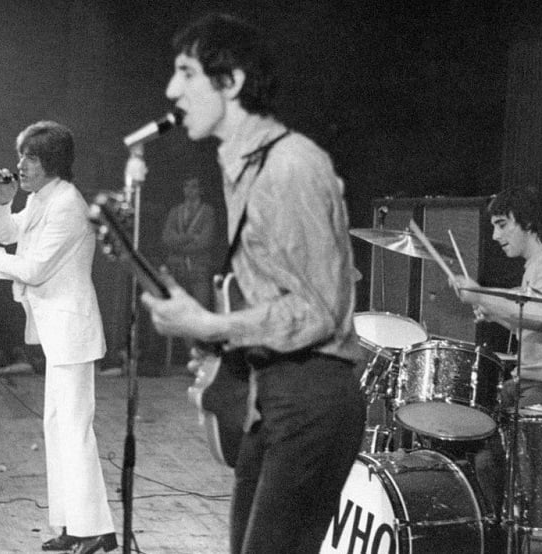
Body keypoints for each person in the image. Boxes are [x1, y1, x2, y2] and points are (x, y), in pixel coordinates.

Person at [137, 14, 365, 554]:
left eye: (186, 73)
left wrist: (210, 324)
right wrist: (219, 345)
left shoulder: (290, 167)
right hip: (274, 396)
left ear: (232, 81)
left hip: (312, 400)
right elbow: (270, 295)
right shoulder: (242, 165)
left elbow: (317, 311)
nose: (172, 91)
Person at [0, 121, 116, 554]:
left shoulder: (68, 204)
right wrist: (1, 203)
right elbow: (12, 233)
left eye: (30, 158)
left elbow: (33, 268)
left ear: (52, 162)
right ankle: (72, 524)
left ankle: (95, 530)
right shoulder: (41, 198)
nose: (20, 166)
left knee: (75, 429)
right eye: (21, 157)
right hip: (56, 331)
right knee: (58, 427)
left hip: (72, 330)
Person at [449, 185, 542, 516]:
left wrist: (481, 295)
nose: (495, 236)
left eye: (502, 224)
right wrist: (494, 312)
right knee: (477, 438)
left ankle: (504, 525)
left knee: (491, 462)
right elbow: (533, 323)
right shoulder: (538, 263)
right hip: (533, 380)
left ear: (526, 221)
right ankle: (495, 522)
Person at [161, 176, 216, 311]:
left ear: (201, 190)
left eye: (194, 186)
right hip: (176, 269)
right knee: (176, 310)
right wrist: (190, 237)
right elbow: (167, 239)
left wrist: (178, 244)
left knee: (201, 310)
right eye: (186, 186)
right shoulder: (175, 211)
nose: (189, 190)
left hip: (199, 270)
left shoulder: (207, 212)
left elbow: (205, 242)